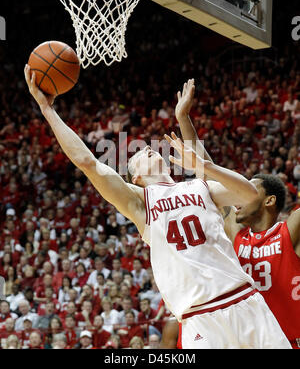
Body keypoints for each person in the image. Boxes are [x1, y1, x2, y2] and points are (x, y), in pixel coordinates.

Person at [24, 66, 291, 349]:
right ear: (135, 176)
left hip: (244, 300)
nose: (149, 149)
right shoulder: (140, 201)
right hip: (199, 318)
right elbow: (88, 162)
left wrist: (202, 163)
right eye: (139, 154)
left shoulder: (200, 186)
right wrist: (47, 110)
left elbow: (249, 194)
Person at [176, 78, 300, 349]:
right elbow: (204, 168)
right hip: (247, 340)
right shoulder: (236, 231)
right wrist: (184, 118)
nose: (237, 197)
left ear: (269, 201)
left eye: (248, 192)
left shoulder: (289, 231)